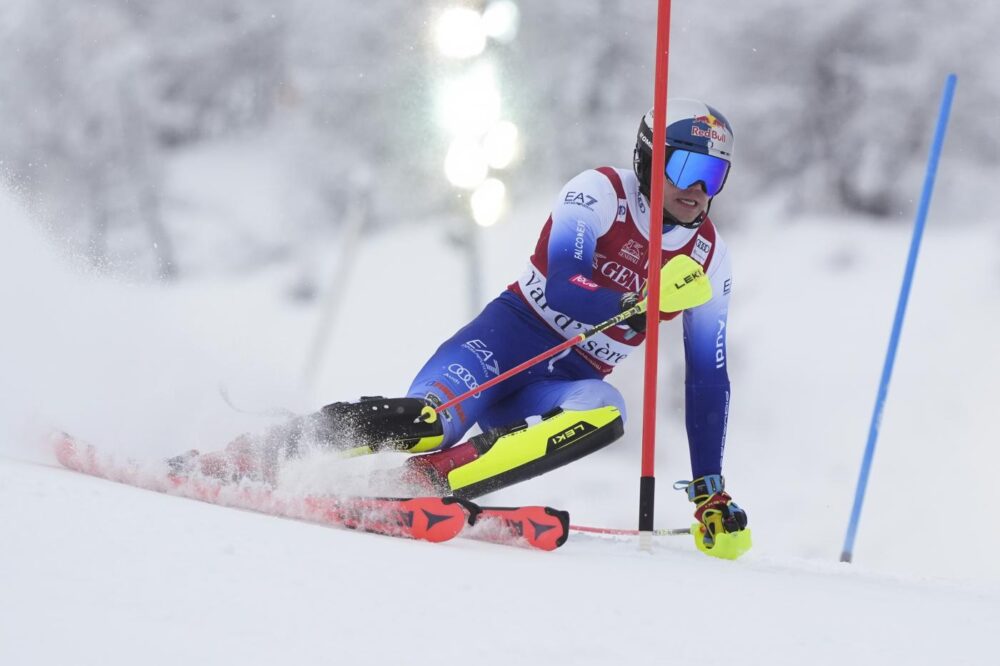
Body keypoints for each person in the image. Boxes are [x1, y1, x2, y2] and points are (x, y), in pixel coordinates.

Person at [184, 98, 748, 545]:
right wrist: (647, 298)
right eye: (686, 168)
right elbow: (564, 283)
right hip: (503, 345)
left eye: (714, 177)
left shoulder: (708, 256)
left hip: (556, 384)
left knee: (606, 412)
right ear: (650, 158)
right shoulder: (599, 192)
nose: (699, 191)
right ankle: (260, 452)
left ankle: (426, 481)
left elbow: (706, 379)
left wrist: (709, 492)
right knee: (431, 421)